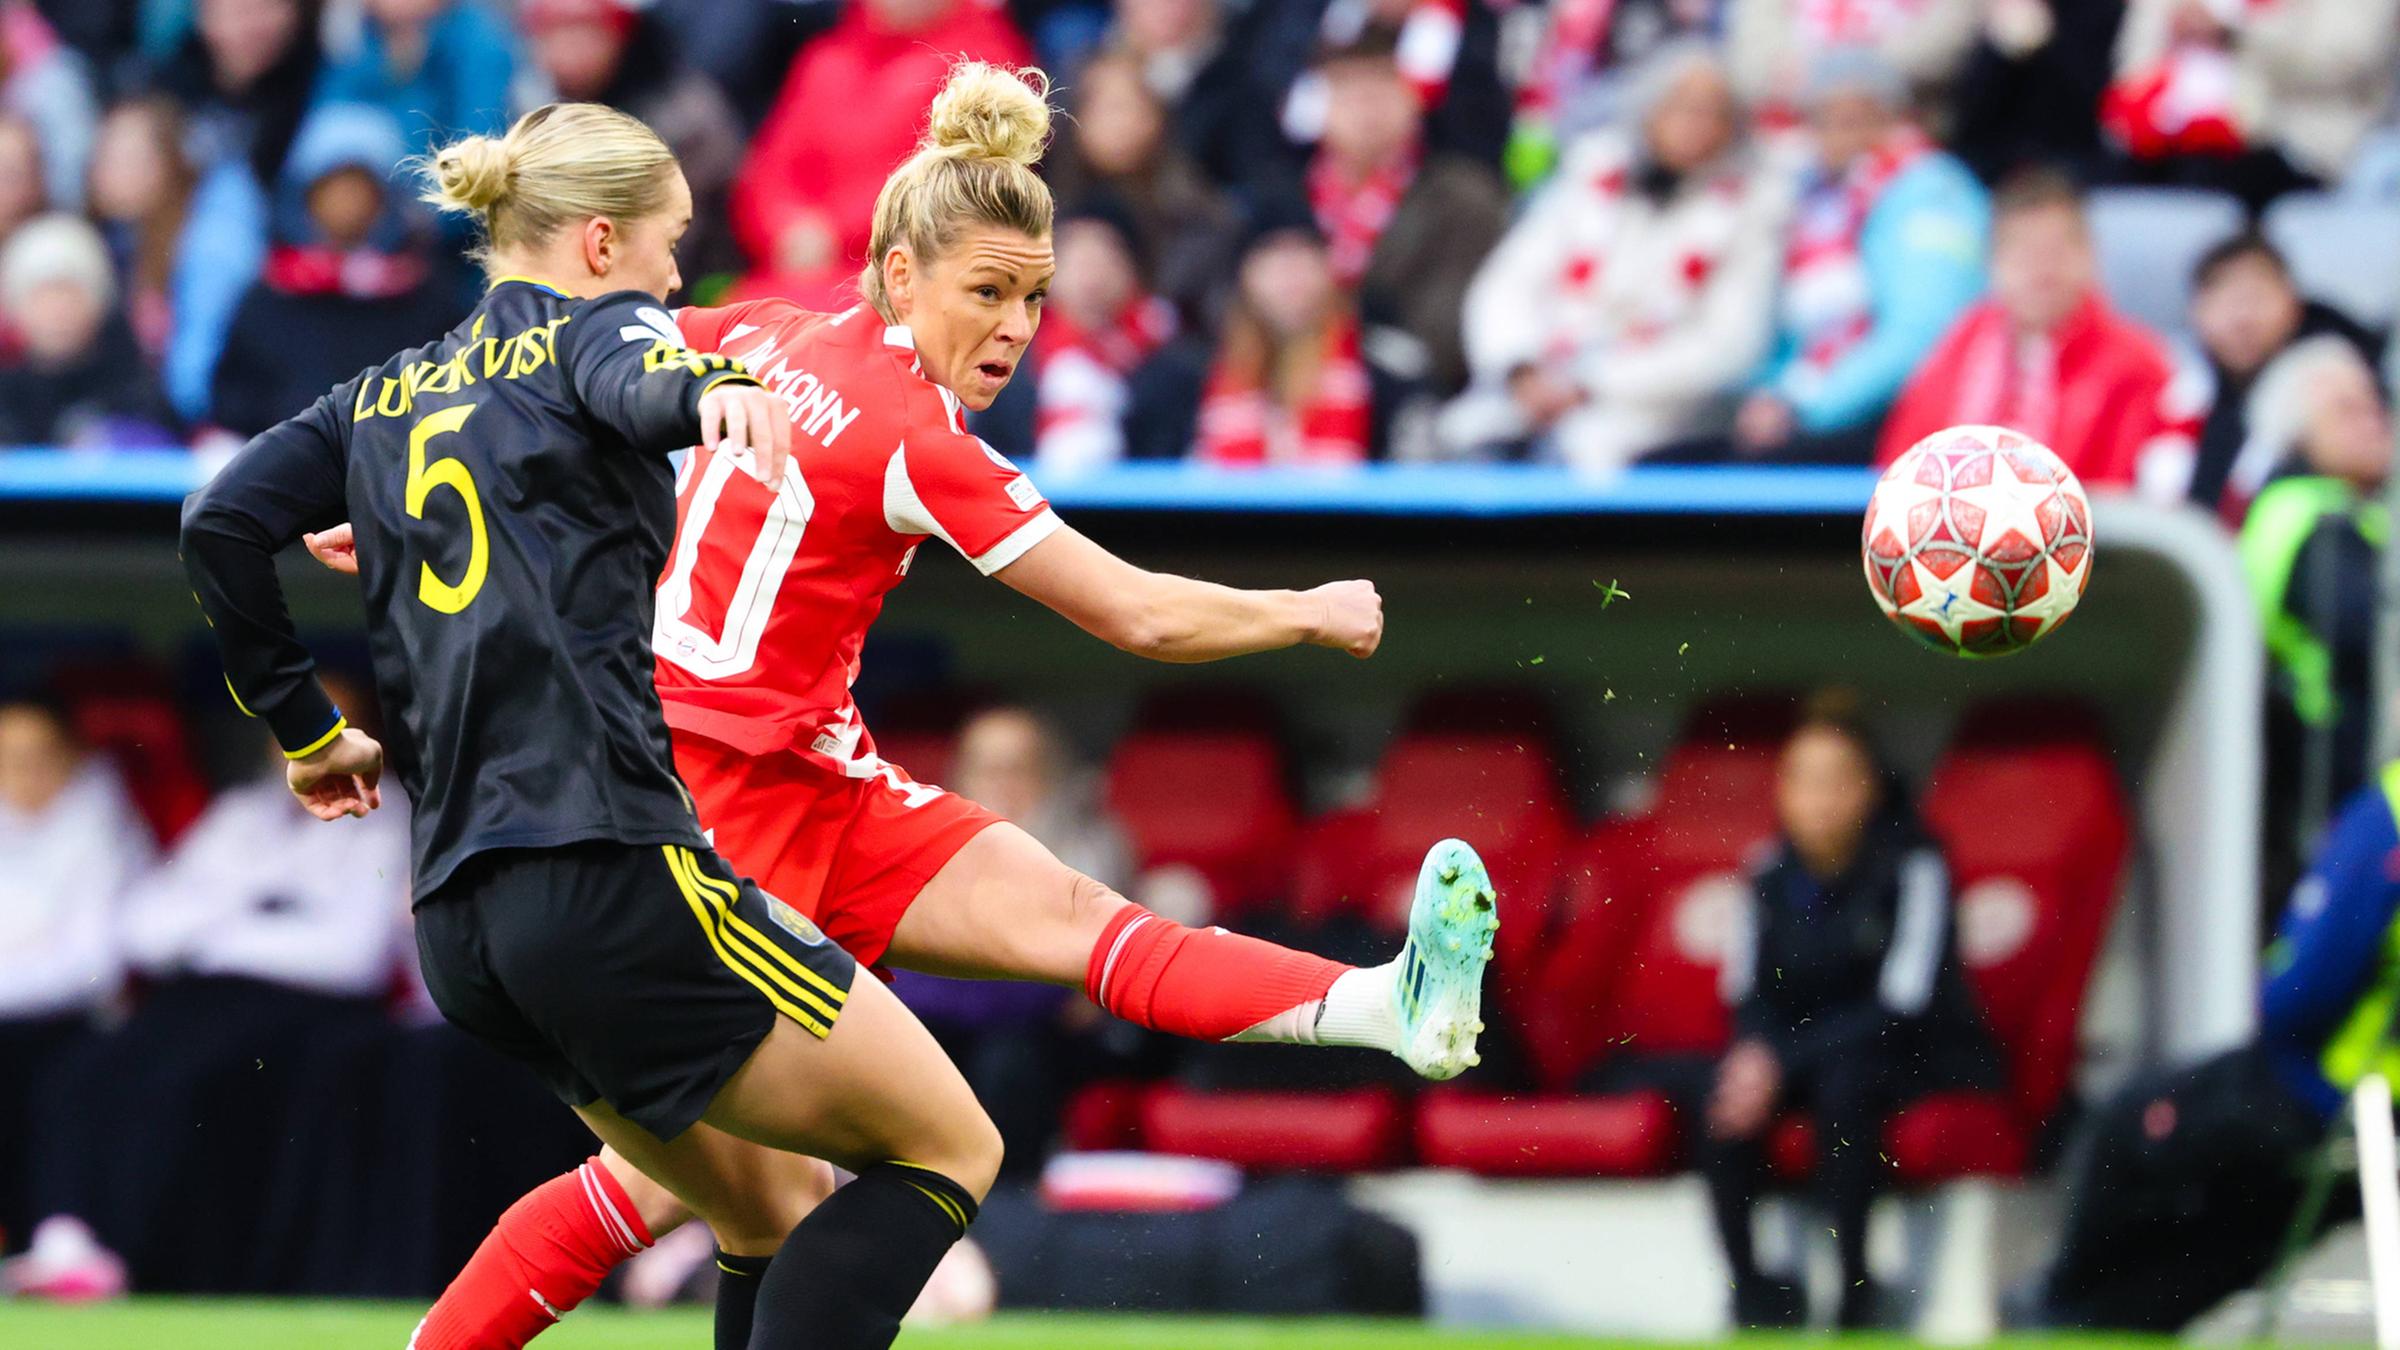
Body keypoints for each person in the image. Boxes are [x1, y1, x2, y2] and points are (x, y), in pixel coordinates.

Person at [353, 64, 1498, 1350]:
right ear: (900, 275)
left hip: (811, 777)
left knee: (1074, 925)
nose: (1014, 328)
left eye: (1033, 298)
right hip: (712, 805)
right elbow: (1139, 617)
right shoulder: (913, 434)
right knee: (691, 1187)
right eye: (986, 292)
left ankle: (1386, 1004)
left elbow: (556, 382)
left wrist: (395, 513)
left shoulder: (756, 332)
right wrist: (1307, 610)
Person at [180, 99, 1004, 1350]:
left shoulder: (382, 394)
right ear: (603, 242)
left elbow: (220, 524)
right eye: (671, 246)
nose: (677, 280)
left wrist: (307, 731)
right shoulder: (603, 325)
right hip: (614, 874)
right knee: (950, 1143)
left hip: (458, 923)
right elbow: (633, 370)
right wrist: (711, 386)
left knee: (768, 1207)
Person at [10, 714, 406, 1297]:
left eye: (331, 730)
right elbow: (147, 926)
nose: (311, 745)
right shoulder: (242, 813)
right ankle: (65, 1241)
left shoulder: (384, 816)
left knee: (176, 1086)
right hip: (203, 996)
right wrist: (261, 915)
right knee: (81, 1073)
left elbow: (352, 955)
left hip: (307, 1008)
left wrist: (221, 925)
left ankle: (133, 1260)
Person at [2017, 761, 2400, 1330]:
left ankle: (2059, 1311)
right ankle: (2091, 1320)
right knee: (2247, 1222)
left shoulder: (2389, 816)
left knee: (2130, 1125)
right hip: (2362, 1120)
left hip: (2342, 1098)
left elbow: (2295, 996)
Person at [1700, 699, 1996, 1330]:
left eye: (1837, 780)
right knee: (1725, 1097)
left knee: (1846, 1090)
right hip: (1797, 1057)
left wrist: (1782, 1062)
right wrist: (1757, 1061)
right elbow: (1747, 994)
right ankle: (1752, 1292)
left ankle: (1855, 1295)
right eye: (1804, 780)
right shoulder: (1766, 871)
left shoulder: (1914, 864)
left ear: (1868, 789)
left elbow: (1904, 1003)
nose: (1820, 799)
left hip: (1902, 1055)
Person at [1442, 42, 1789, 472]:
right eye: (1681, 106)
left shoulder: (1753, 208)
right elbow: (1508, 283)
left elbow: (1728, 344)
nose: (1694, 125)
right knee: (1462, 436)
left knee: (1589, 453)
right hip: (1540, 378)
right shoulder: (1591, 174)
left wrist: (1592, 383)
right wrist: (1522, 368)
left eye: (1712, 112)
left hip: (1654, 410)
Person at [1734, 50, 1987, 465]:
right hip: (1810, 402)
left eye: (1857, 119)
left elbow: (1924, 331)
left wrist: (1806, 407)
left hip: (1902, 412)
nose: (1841, 135)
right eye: (1825, 120)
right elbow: (1791, 335)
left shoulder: (1933, 190)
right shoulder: (1813, 198)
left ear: (1895, 120)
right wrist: (1770, 394)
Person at [1876, 166, 2194, 495]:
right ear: (1992, 263)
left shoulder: (2138, 362)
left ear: (2090, 255)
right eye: (2024, 252)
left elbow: (2148, 494)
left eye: (2057, 250)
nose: (2043, 267)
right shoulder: (1962, 341)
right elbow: (1903, 462)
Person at [728, 0, 1029, 311]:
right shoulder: (825, 61)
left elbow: (958, 183)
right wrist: (786, 226)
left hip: (913, 279)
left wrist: (837, 234)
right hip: (795, 272)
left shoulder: (985, 68)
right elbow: (770, 171)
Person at [0, 690, 148, 1269]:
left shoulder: (103, 821)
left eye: (37, 756)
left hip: (80, 1023)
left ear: (69, 755)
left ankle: (64, 1244)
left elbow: (91, 968)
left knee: (62, 1083)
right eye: (8, 758)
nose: (23, 773)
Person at [208, 103, 463, 438]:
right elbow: (232, 401)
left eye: (360, 187)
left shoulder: (424, 299)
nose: (347, 202)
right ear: (307, 197)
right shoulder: (271, 296)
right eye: (333, 187)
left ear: (386, 199)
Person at [2238, 337, 2392, 881]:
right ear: (2298, 432)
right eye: (2346, 411)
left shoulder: (2350, 512)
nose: (2374, 422)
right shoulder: (2311, 516)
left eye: (2374, 405)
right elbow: (2364, 629)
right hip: (2324, 797)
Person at [1299, 23, 1507, 403]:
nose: (1365, 105)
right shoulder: (1285, 203)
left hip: (1417, 394)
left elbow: (1449, 329)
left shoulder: (1462, 197)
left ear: (1414, 97)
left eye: (1382, 85)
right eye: (1346, 87)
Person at [517, 0, 745, 286]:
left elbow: (674, 241)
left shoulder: (683, 119)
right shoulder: (530, 111)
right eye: (554, 31)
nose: (569, 48)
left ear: (621, 34)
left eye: (585, 29)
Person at [974, 200, 1201, 474]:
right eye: (1077, 262)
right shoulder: (1006, 364)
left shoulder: (1173, 368)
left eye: (1104, 261)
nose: (1091, 279)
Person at [2183, 231, 2381, 520]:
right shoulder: (2192, 392)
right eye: (2225, 301)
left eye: (2256, 298)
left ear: (2293, 301)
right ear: (2195, 313)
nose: (2243, 319)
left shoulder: (2332, 374)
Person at [1038, 47, 1237, 330]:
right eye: (1106, 107)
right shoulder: (1039, 206)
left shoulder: (1198, 217)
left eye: (1133, 105)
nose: (1121, 122)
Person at [1196, 216, 1377, 465]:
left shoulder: (1374, 373)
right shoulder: (1197, 376)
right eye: (1274, 254)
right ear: (1246, 272)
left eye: (1303, 253)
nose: (1291, 271)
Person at [0, 213, 176, 446]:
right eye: (43, 296)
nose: (58, 312)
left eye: (71, 295)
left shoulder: (138, 396)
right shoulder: (7, 401)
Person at [312, 0, 516, 161]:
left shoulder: (480, 47)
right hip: (364, 189)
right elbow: (325, 132)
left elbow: (479, 148)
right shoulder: (350, 38)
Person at [84, 96, 195, 361]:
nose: (113, 172)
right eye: (106, 156)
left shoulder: (192, 246)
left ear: (171, 163)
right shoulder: (85, 244)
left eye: (131, 158)